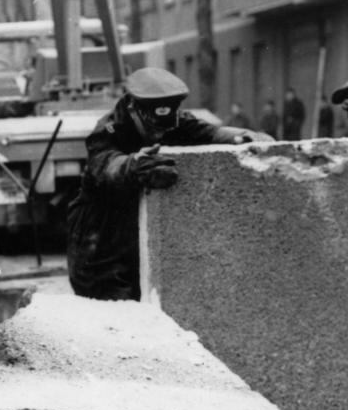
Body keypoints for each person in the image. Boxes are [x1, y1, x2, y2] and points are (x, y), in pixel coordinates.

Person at [67, 68, 273, 302]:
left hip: (136, 227)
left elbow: (209, 133)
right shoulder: (109, 129)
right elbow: (105, 165)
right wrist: (133, 164)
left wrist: (244, 137)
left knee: (142, 298)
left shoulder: (173, 120)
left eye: (164, 129)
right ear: (135, 110)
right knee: (109, 305)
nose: (160, 134)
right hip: (100, 231)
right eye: (154, 129)